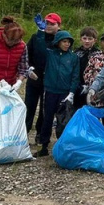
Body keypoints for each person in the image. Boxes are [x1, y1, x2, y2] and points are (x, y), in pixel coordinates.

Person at [35, 29, 78, 158]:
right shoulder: (50, 54)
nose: (67, 44)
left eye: (69, 42)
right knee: (47, 118)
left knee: (63, 121)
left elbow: (75, 76)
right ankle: (44, 145)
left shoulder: (73, 57)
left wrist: (71, 92)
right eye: (64, 41)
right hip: (50, 91)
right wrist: (40, 32)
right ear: (58, 42)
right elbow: (40, 46)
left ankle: (62, 146)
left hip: (65, 93)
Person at [25, 12, 61, 143]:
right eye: (47, 23)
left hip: (50, 80)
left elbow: (50, 50)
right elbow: (26, 55)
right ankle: (23, 134)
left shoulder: (61, 40)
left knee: (45, 110)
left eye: (53, 24)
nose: (49, 26)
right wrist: (29, 69)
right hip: (34, 78)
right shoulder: (36, 37)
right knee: (29, 107)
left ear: (59, 25)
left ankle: (40, 135)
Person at [84, 30, 104, 109]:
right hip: (96, 94)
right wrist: (94, 85)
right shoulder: (95, 56)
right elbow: (87, 73)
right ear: (101, 42)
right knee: (95, 119)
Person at [73, 27, 103, 109]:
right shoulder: (76, 52)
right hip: (77, 86)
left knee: (90, 111)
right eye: (84, 38)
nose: (87, 41)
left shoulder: (99, 54)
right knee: (76, 110)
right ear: (80, 39)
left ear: (95, 40)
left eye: (90, 39)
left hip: (92, 87)